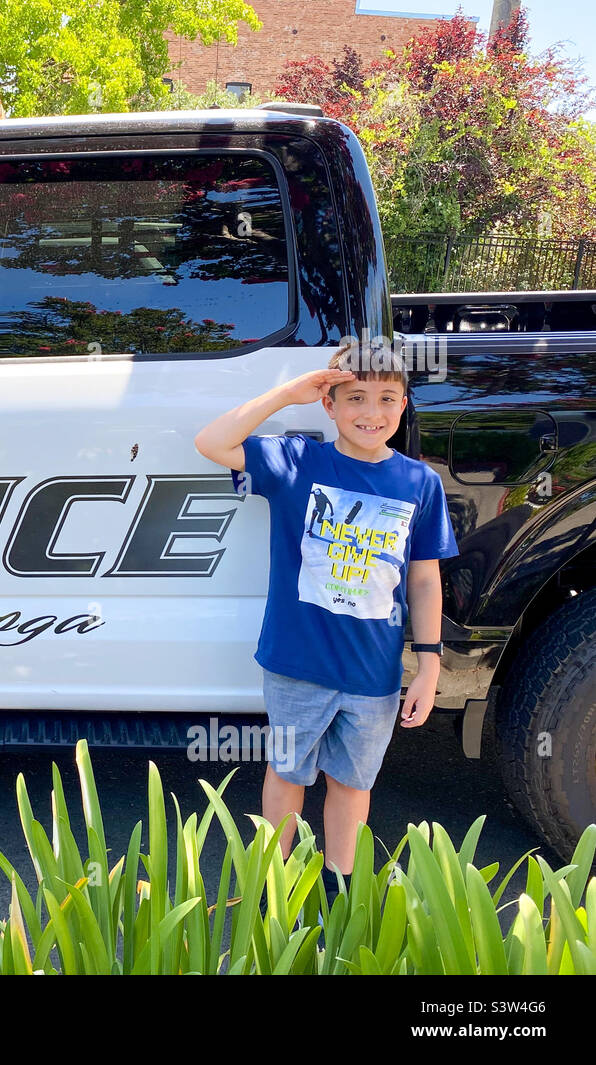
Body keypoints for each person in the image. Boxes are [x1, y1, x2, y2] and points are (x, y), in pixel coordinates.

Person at [193, 338, 459, 912]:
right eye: (355, 397)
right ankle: (273, 883)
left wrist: (429, 664)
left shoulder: (420, 484)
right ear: (329, 405)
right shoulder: (296, 462)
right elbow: (212, 441)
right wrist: (290, 391)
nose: (372, 412)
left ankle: (338, 887)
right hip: (297, 665)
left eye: (388, 398)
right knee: (287, 773)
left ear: (405, 405)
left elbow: (424, 580)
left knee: (352, 784)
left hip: (374, 674)